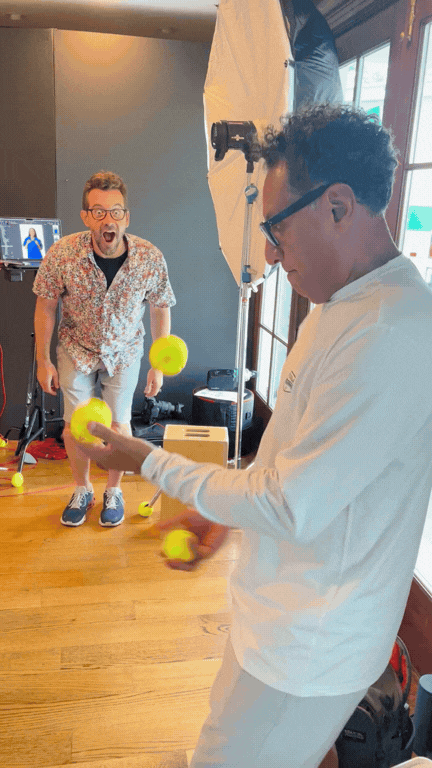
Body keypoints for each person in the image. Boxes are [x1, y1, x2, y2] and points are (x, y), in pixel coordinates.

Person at [74, 105, 432, 768]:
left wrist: (145, 458)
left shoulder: (389, 333)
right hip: (279, 620)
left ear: (338, 206)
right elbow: (295, 460)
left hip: (310, 650)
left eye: (275, 226)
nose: (269, 251)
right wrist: (224, 516)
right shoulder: (342, 306)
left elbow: (290, 504)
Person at [33, 171, 176, 528]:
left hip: (124, 350)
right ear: (85, 217)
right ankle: (82, 489)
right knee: (75, 425)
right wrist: (43, 360)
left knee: (119, 424)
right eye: (97, 211)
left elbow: (160, 307)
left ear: (126, 217)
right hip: (76, 347)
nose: (107, 219)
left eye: (115, 211)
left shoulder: (149, 257)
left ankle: (114, 491)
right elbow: (46, 306)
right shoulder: (62, 253)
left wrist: (157, 364)